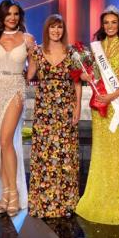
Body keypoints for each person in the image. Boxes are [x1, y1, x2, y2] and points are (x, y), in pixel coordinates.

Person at [75, 5, 119, 225]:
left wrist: (113, 95)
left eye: (114, 22)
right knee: (100, 149)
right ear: (102, 25)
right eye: (106, 22)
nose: (110, 26)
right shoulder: (97, 47)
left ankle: (115, 197)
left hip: (116, 103)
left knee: (116, 149)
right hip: (99, 103)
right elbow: (91, 73)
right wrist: (84, 75)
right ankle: (97, 195)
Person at [0, 0, 34, 217]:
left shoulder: (28, 38)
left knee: (5, 140)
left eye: (16, 14)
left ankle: (13, 192)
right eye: (8, 14)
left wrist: (30, 74)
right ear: (1, 16)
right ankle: (4, 193)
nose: (12, 18)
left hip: (15, 88)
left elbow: (33, 69)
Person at [26, 14, 81, 218]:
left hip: (65, 108)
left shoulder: (72, 52)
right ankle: (44, 202)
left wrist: (76, 108)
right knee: (45, 155)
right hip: (44, 111)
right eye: (52, 27)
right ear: (47, 30)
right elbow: (29, 75)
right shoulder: (38, 52)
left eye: (59, 27)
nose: (56, 31)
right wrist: (25, 52)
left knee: (65, 154)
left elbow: (77, 82)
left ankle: (66, 202)